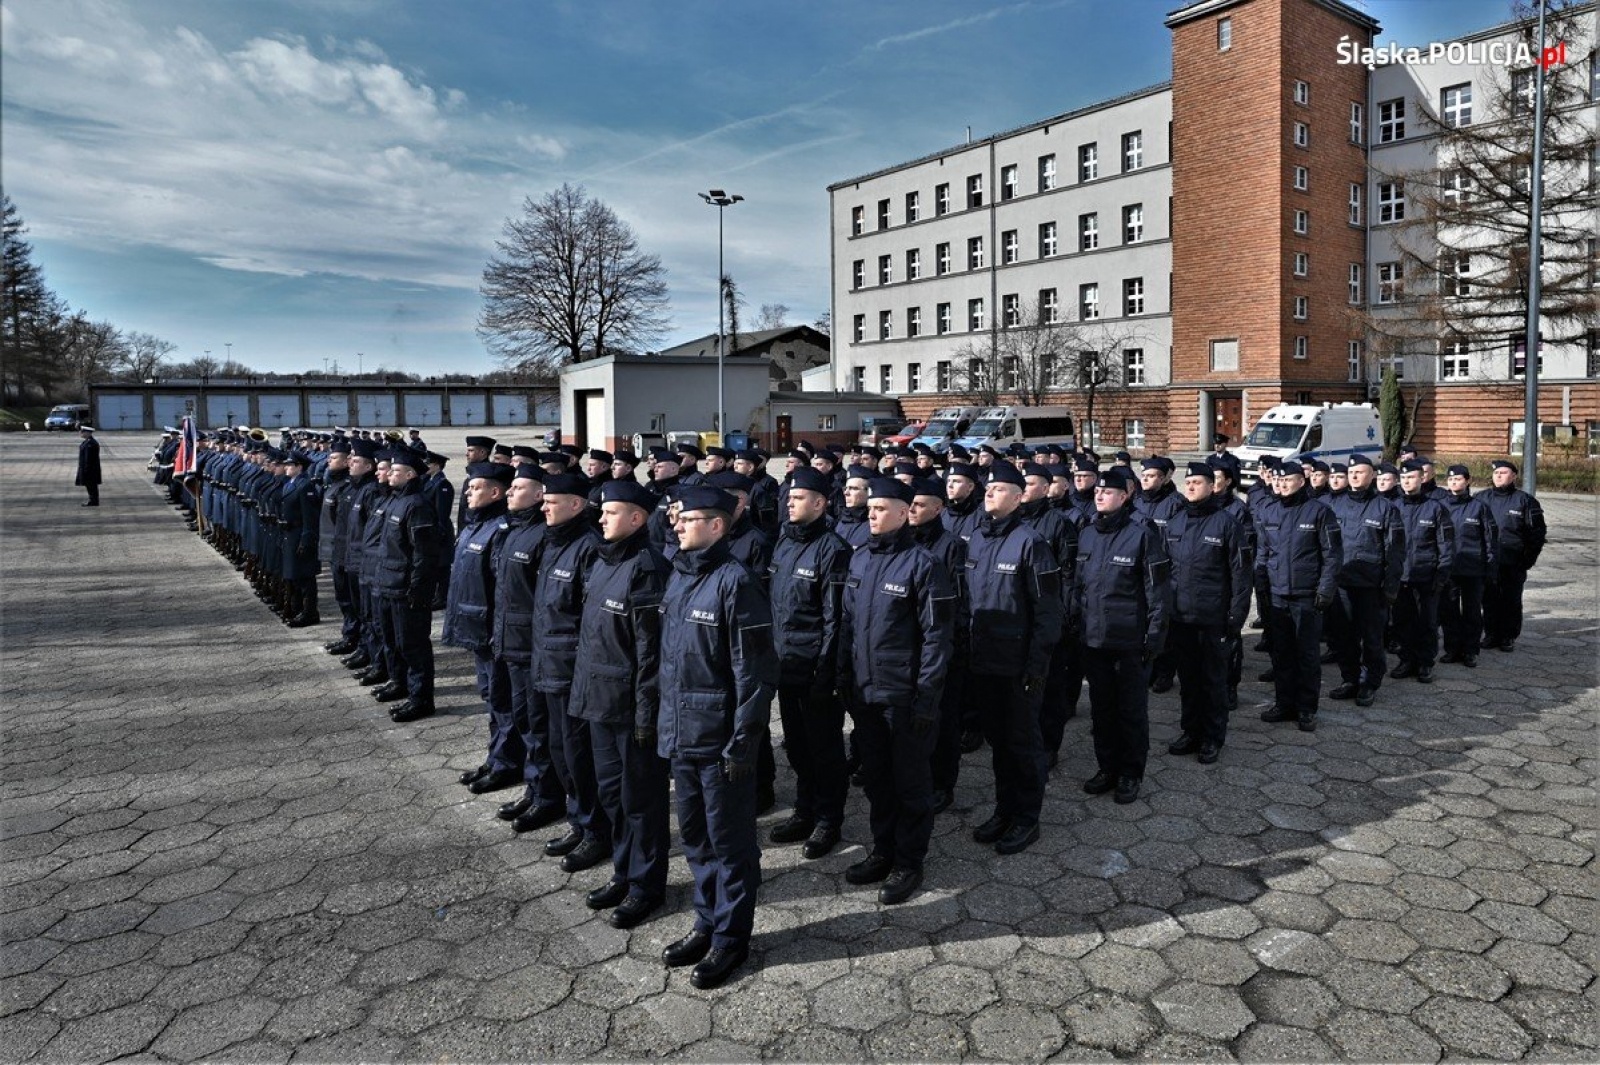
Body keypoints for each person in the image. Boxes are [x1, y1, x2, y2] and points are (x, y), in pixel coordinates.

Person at [656, 485, 778, 990]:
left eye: (688, 520)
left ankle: (731, 936)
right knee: (697, 840)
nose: (677, 526)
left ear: (717, 526)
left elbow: (754, 673)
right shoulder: (680, 579)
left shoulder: (736, 582)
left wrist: (743, 741)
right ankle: (705, 921)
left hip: (719, 739)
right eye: (677, 519)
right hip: (681, 734)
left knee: (730, 843)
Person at [837, 478, 955, 904]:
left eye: (882, 508)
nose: (872, 514)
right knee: (877, 782)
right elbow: (848, 627)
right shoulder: (860, 560)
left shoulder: (923, 565)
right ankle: (882, 850)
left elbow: (937, 638)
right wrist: (843, 677)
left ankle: (909, 860)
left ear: (905, 513)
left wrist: (927, 696)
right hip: (867, 695)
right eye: (870, 508)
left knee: (910, 783)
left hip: (905, 698)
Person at [570, 479, 673, 929]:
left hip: (632, 709)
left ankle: (646, 885)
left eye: (610, 513)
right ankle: (624, 871)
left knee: (641, 801)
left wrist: (648, 715)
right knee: (612, 795)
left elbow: (651, 653)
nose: (600, 519)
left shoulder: (647, 567)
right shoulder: (603, 560)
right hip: (599, 701)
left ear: (637, 518)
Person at [964, 460, 1063, 854]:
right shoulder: (976, 538)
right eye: (988, 487)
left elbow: (1047, 612)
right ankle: (1004, 809)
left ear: (1019, 497)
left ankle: (1026, 818)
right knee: (999, 744)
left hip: (1018, 665)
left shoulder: (1031, 542)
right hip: (984, 661)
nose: (989, 492)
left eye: (999, 488)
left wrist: (1037, 667)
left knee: (1022, 745)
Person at [1070, 467, 1172, 801]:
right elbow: (1078, 586)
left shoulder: (1142, 535)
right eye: (1097, 491)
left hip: (1129, 641)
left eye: (1108, 492)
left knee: (1130, 711)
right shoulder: (1086, 534)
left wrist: (1154, 636)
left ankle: (1130, 773)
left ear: (1125, 496)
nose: (1099, 495)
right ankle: (1107, 767)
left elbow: (1158, 592)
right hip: (1093, 639)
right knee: (1102, 710)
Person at [766, 467, 851, 861]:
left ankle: (828, 819)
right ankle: (805, 808)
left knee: (825, 748)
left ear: (820, 503)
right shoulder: (783, 543)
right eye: (789, 498)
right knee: (797, 745)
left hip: (816, 669)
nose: (789, 503)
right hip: (786, 665)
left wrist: (826, 671)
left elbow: (836, 618)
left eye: (798, 499)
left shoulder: (833, 549)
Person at [530, 472, 609, 872]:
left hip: (573, 671)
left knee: (580, 756)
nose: (544, 507)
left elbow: (591, 622)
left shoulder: (588, 548)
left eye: (552, 501)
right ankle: (579, 820)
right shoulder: (553, 542)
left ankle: (597, 830)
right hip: (549, 664)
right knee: (561, 751)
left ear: (576, 505)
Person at [491, 464, 567, 833]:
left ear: (539, 495)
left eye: (518, 487)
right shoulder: (514, 531)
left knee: (538, 727)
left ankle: (547, 796)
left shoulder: (542, 536)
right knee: (522, 721)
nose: (509, 492)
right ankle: (534, 788)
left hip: (531, 649)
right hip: (509, 643)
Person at [443, 462, 524, 796]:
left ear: (495, 492)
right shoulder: (476, 526)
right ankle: (496, 757)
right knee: (491, 698)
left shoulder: (500, 530)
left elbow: (504, 592)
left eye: (475, 488)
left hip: (493, 633)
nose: (467, 493)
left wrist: (495, 633)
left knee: (504, 703)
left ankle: (507, 763)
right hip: (476, 628)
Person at [1162, 463, 1248, 764]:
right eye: (1189, 482)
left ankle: (1212, 737)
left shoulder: (1227, 523)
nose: (1191, 487)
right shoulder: (1176, 522)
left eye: (1198, 482)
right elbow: (1165, 571)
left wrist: (1237, 614)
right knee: (1188, 680)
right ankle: (1191, 731)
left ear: (1213, 487)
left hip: (1213, 616)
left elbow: (1240, 573)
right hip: (1181, 616)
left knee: (1213, 681)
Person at [1256, 461, 1342, 730]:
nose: (1281, 484)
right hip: (1278, 594)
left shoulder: (1319, 512)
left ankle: (1306, 708)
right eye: (1278, 480)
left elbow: (1332, 555)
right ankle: (1284, 703)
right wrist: (1262, 587)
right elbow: (1264, 553)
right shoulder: (1268, 510)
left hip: (1307, 595)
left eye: (1288, 480)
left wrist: (1325, 589)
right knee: (1281, 653)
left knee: (1306, 655)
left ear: (1302, 482)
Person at [906, 477, 969, 814]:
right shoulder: (902, 544)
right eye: (910, 504)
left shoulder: (951, 546)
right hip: (909, 649)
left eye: (920, 504)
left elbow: (957, 603)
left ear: (938, 508)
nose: (913, 509)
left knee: (943, 721)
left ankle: (943, 783)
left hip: (942, 648)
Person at [1326, 455, 1403, 708]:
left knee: (1371, 638)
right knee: (1343, 637)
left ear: (1372, 476)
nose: (1354, 477)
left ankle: (1369, 682)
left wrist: (1391, 586)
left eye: (1360, 472)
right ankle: (1350, 679)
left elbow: (1395, 551)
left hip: (1371, 587)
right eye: (1351, 473)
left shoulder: (1385, 508)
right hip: (1342, 584)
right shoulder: (1334, 506)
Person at [372, 449, 441, 721]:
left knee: (413, 646)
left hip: (405, 589)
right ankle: (398, 683)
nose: (389, 474)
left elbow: (424, 554)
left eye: (396, 471)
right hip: (387, 583)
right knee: (391, 641)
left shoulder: (417, 504)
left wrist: (419, 590)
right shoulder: (393, 501)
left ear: (411, 475)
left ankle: (421, 699)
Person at [1392, 459, 1456, 683]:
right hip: (1400, 577)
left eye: (1411, 477)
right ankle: (1406, 659)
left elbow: (1446, 545)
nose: (1407, 481)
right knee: (1402, 621)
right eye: (1404, 478)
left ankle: (1425, 663)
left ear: (1422, 478)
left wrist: (1442, 574)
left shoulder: (1436, 508)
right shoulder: (1393, 507)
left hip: (1427, 576)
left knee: (1427, 623)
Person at [1478, 459, 1546, 652]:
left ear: (1514, 476)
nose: (1498, 476)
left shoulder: (1525, 500)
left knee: (1511, 599)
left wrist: (1528, 559)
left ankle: (1508, 636)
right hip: (1488, 560)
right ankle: (1491, 634)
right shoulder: (1481, 498)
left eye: (1503, 472)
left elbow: (1537, 533)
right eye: (1496, 473)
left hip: (1513, 560)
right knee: (1489, 599)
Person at [1439, 464, 1498, 668]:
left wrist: (1490, 567)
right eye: (1450, 480)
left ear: (1468, 481)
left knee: (1472, 611)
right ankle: (1452, 649)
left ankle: (1471, 650)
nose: (1454, 483)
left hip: (1473, 569)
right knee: (1449, 611)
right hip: (1449, 568)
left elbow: (1490, 539)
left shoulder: (1479, 507)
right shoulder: (1440, 506)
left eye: (1458, 479)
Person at [278, 451, 322, 627]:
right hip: (290, 534)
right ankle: (297, 610)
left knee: (305, 577)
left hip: (299, 535)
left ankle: (310, 613)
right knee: (294, 576)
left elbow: (310, 517)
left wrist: (306, 540)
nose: (286, 467)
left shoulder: (305, 486)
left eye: (290, 465)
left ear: (299, 467)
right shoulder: (290, 484)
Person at [76, 425, 102, 506]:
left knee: (91, 485)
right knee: (90, 485)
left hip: (90, 469)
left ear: (87, 433)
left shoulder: (90, 443)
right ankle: (93, 500)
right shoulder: (87, 442)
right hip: (88, 468)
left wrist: (86, 470)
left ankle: (93, 501)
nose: (80, 433)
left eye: (82, 432)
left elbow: (88, 458)